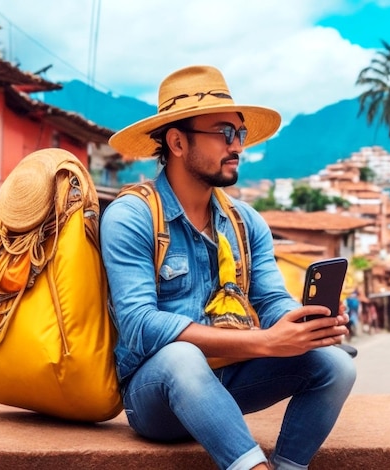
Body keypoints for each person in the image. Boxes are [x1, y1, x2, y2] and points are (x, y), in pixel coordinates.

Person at [100, 65, 356, 470]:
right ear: (178, 142)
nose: (237, 146)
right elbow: (139, 324)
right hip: (156, 395)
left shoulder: (245, 221)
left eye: (239, 134)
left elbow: (271, 299)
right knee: (182, 357)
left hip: (231, 381)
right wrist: (264, 343)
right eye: (224, 133)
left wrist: (303, 323)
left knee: (336, 365)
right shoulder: (131, 215)